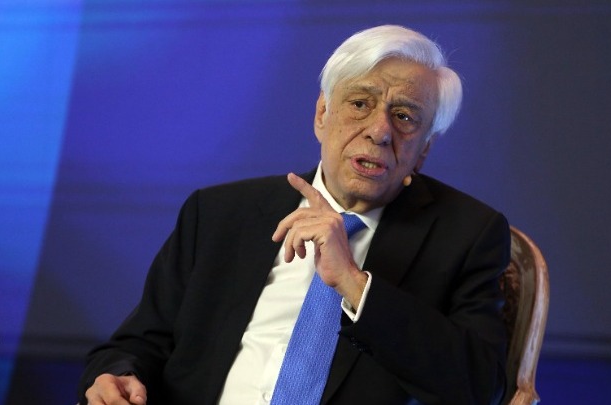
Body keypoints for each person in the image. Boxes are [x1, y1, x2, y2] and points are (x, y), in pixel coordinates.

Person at [78, 24, 510, 405]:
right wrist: (118, 376)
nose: (380, 131)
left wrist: (354, 283)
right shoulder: (219, 214)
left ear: (425, 149)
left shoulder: (468, 234)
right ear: (322, 114)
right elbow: (139, 343)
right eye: (360, 104)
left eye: (404, 116)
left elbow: (480, 387)